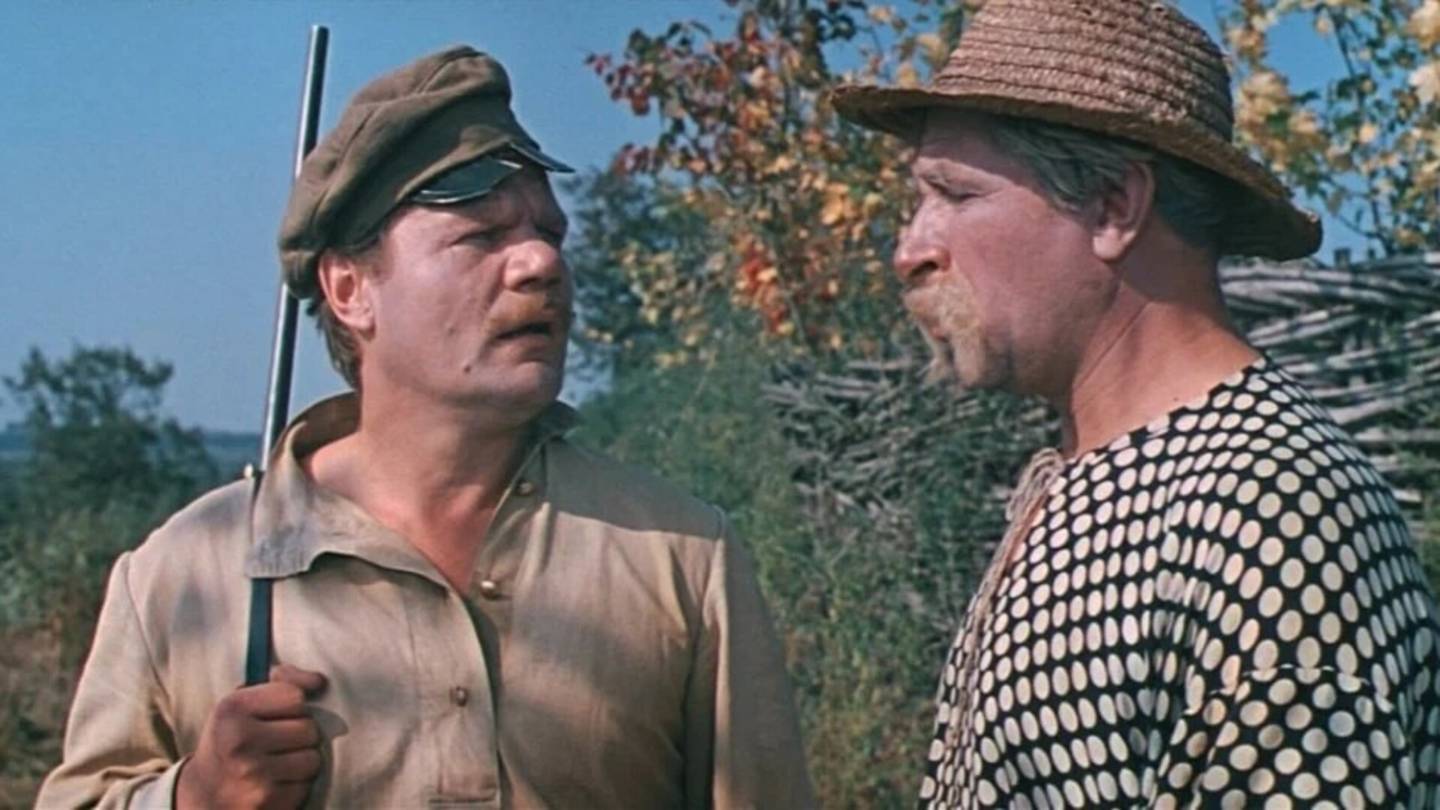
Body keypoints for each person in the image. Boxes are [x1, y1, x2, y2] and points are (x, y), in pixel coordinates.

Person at [38, 46, 812, 809]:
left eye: (549, 233)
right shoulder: (184, 575)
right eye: (482, 235)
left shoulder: (681, 557)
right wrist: (193, 797)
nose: (540, 262)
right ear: (350, 289)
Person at [833, 0, 1440, 806]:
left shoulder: (1272, 508)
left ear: (1115, 206)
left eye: (956, 193)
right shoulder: (1095, 478)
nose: (910, 249)